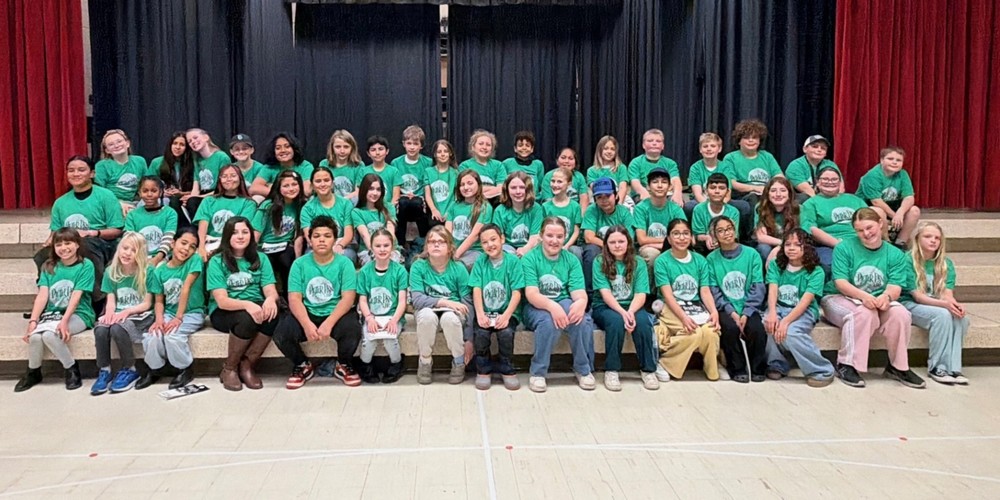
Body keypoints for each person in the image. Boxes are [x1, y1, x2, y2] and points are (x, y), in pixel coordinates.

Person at [820, 208, 925, 389]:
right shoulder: (843, 248)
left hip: (877, 299)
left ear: (880, 224)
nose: (866, 233)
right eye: (860, 230)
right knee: (863, 313)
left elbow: (895, 286)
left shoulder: (895, 254)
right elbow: (841, 282)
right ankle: (847, 365)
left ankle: (898, 367)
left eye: (869, 228)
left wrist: (886, 296)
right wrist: (864, 297)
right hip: (838, 297)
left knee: (900, 314)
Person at [273, 216, 362, 389]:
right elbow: (294, 299)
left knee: (352, 329)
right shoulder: (299, 264)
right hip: (308, 311)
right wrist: (307, 324)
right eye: (317, 236)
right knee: (281, 333)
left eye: (327, 236)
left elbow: (348, 298)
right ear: (310, 239)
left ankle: (343, 364)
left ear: (334, 240)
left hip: (335, 312)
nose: (321, 240)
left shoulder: (345, 264)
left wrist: (329, 323)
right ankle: (302, 364)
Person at [33, 156, 124, 307]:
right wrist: (50, 240)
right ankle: (48, 303)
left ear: (92, 173)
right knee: (42, 255)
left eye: (81, 170)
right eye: (71, 170)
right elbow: (55, 231)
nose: (76, 174)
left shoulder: (106, 196)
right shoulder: (60, 202)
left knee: (85, 246)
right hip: (69, 243)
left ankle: (97, 300)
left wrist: (92, 233)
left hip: (101, 242)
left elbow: (117, 230)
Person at [206, 216, 282, 391]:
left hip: (254, 305)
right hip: (224, 311)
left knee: (273, 313)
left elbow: (270, 290)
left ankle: (247, 365)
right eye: (235, 233)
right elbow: (222, 301)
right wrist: (248, 305)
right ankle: (229, 368)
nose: (240, 236)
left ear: (251, 235)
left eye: (245, 232)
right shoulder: (216, 261)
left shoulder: (261, 258)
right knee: (247, 319)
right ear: (227, 236)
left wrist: (271, 299)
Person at [15, 228, 96, 392]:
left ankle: (71, 369)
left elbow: (76, 296)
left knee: (50, 335)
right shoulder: (48, 266)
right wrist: (33, 321)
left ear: (77, 245)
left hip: (79, 314)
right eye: (59, 244)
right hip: (52, 315)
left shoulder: (85, 265)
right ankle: (33, 372)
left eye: (68, 243)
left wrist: (64, 321)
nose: (63, 248)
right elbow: (42, 296)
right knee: (35, 337)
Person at [522, 217, 595, 392]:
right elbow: (531, 294)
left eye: (559, 236)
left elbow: (578, 292)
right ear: (541, 236)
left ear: (565, 238)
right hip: (535, 306)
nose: (554, 241)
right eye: (550, 235)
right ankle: (538, 372)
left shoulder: (571, 260)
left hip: (563, 300)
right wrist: (552, 307)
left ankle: (583, 369)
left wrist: (581, 302)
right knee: (548, 322)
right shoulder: (529, 259)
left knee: (581, 319)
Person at [763, 228, 835, 387]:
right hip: (779, 306)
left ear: (806, 247)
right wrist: (772, 312)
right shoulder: (776, 265)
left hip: (804, 311)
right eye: (787, 244)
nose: (791, 248)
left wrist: (785, 321)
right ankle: (776, 364)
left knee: (791, 333)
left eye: (797, 244)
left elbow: (805, 301)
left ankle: (821, 370)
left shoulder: (816, 271)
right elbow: (772, 289)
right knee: (767, 323)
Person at [652, 219, 721, 381]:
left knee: (710, 332)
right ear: (669, 239)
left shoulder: (700, 260)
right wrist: (683, 317)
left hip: (696, 306)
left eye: (685, 233)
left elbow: (704, 291)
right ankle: (665, 362)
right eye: (676, 234)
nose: (681, 238)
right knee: (693, 333)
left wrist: (714, 312)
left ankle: (712, 369)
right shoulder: (661, 261)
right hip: (671, 306)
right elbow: (668, 295)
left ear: (691, 237)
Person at [592, 226, 659, 391]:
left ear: (628, 242)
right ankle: (612, 370)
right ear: (606, 244)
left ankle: (648, 370)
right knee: (616, 322)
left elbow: (641, 294)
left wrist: (630, 312)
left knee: (643, 322)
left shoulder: (639, 262)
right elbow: (606, 294)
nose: (617, 245)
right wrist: (623, 313)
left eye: (621, 241)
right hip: (605, 306)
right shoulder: (599, 261)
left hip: (632, 305)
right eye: (612, 242)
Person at [902, 222, 970, 385]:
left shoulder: (946, 263)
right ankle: (937, 367)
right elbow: (918, 297)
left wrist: (954, 305)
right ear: (917, 239)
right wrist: (945, 305)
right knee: (942, 315)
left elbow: (947, 294)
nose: (933, 240)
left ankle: (953, 368)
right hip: (909, 304)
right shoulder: (907, 260)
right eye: (928, 236)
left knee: (960, 318)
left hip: (935, 304)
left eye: (937, 238)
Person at [141, 227, 205, 390]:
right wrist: (159, 320)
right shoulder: (160, 271)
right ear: (172, 243)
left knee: (172, 336)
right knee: (153, 335)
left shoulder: (195, 260)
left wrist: (178, 317)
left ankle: (185, 368)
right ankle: (155, 369)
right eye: (183, 243)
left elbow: (186, 288)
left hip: (191, 313)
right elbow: (159, 301)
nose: (186, 249)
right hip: (169, 313)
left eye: (192, 246)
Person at [706, 216, 768, 383]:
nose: (726, 233)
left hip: (749, 306)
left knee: (756, 329)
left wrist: (746, 312)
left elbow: (758, 286)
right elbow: (714, 290)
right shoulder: (711, 259)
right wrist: (731, 312)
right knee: (730, 328)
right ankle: (737, 369)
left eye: (729, 229)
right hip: (725, 307)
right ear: (714, 236)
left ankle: (758, 368)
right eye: (720, 231)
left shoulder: (752, 254)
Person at [90, 232, 154, 395]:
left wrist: (127, 311)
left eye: (133, 250)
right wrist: (109, 314)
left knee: (118, 328)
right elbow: (111, 300)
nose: (127, 253)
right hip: (120, 312)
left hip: (140, 314)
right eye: (125, 248)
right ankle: (104, 370)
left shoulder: (148, 271)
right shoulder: (111, 271)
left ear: (140, 254)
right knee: (101, 328)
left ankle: (129, 368)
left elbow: (147, 304)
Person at [409, 226, 474, 385]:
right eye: (432, 242)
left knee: (449, 319)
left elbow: (467, 303)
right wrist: (444, 302)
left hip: (454, 313)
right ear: (426, 247)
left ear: (450, 247)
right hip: (427, 310)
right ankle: (425, 361)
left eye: (441, 242)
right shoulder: (418, 266)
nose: (436, 245)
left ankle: (458, 362)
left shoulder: (459, 268)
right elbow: (417, 300)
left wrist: (469, 339)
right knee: (427, 317)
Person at [470, 224, 525, 391]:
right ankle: (483, 369)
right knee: (481, 333)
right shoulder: (480, 261)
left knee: (506, 333)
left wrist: (507, 315)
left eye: (493, 239)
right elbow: (476, 289)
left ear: (502, 239)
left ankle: (507, 368)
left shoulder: (513, 262)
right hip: (486, 312)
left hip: (507, 312)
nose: (490, 245)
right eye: (485, 242)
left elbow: (517, 292)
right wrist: (480, 314)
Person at [356, 229, 408, 384]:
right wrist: (369, 318)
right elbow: (363, 300)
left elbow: (402, 301)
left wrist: (394, 320)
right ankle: (365, 365)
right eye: (378, 246)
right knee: (369, 340)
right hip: (372, 316)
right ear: (371, 248)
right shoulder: (365, 272)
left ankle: (397, 364)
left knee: (390, 339)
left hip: (393, 315)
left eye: (386, 245)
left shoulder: (399, 271)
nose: (382, 249)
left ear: (392, 247)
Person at [800, 165, 867, 275]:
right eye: (825, 179)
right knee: (831, 264)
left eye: (834, 179)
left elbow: (870, 220)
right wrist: (840, 245)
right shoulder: (811, 203)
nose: (830, 182)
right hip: (829, 245)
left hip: (860, 241)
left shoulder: (854, 199)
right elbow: (812, 230)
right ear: (817, 182)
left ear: (840, 182)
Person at [192, 164, 261, 261]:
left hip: (234, 243)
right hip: (210, 241)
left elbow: (240, 228)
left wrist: (218, 250)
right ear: (219, 180)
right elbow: (203, 225)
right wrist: (201, 247)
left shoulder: (248, 203)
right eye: (224, 176)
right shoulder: (208, 200)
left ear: (240, 178)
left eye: (233, 175)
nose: (229, 179)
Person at [856, 146, 921, 248]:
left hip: (892, 205)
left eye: (898, 160)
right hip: (869, 206)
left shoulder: (903, 174)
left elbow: (909, 197)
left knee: (914, 211)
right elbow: (876, 201)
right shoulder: (872, 175)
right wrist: (895, 216)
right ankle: (886, 242)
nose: (894, 162)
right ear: (882, 160)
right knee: (878, 211)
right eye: (890, 159)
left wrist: (900, 212)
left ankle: (900, 243)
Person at [582, 177, 634, 297]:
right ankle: (591, 295)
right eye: (599, 197)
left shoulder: (624, 212)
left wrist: (614, 247)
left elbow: (629, 238)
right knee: (591, 250)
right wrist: (609, 246)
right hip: (599, 247)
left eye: (607, 196)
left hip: (620, 247)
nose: (604, 200)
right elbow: (589, 237)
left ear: (616, 195)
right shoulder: (591, 210)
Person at [258, 170, 306, 292]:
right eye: (286, 186)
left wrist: (297, 260)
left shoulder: (301, 205)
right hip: (264, 246)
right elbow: (256, 232)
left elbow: (299, 236)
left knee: (288, 262)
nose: (291, 189)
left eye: (294, 184)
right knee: (266, 264)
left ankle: (288, 296)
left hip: (285, 246)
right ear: (278, 188)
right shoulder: (268, 205)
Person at [632, 167, 686, 276]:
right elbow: (642, 239)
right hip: (653, 248)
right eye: (655, 182)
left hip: (671, 246)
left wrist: (659, 244)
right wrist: (669, 241)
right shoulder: (641, 208)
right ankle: (650, 287)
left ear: (670, 187)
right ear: (648, 187)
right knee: (651, 254)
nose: (660, 185)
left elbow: (684, 237)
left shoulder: (676, 209)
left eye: (664, 182)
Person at [390, 125, 433, 256]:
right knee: (403, 202)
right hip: (402, 198)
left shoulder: (428, 162)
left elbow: (428, 184)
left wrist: (417, 195)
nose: (412, 147)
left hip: (420, 198)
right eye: (409, 143)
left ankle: (423, 241)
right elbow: (395, 185)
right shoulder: (396, 163)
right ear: (404, 144)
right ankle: (401, 243)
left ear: (421, 146)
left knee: (415, 202)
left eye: (415, 144)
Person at [722, 119, 784, 209]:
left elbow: (779, 177)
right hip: (745, 196)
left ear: (759, 141)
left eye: (754, 137)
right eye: (746, 138)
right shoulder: (730, 158)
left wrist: (773, 189)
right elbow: (732, 183)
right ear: (739, 141)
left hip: (768, 193)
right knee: (753, 197)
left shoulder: (767, 156)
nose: (751, 140)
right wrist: (756, 188)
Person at [299, 166, 356, 263]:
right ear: (312, 185)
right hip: (317, 246)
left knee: (347, 256)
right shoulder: (307, 209)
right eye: (318, 181)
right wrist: (325, 248)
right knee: (309, 259)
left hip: (342, 245)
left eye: (326, 180)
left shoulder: (345, 204)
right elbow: (309, 237)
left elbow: (348, 234)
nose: (322, 184)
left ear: (332, 183)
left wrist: (339, 246)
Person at [124, 176, 177, 266]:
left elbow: (168, 238)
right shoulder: (132, 215)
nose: (149, 194)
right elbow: (129, 239)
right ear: (140, 193)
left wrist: (156, 259)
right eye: (145, 191)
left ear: (160, 192)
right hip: (137, 257)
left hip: (162, 258)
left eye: (154, 191)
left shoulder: (170, 213)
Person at [446, 170, 493, 269]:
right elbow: (447, 233)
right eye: (462, 185)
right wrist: (448, 252)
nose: (466, 187)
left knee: (456, 267)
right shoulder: (454, 205)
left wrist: (455, 256)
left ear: (478, 185)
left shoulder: (485, 207)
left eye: (470, 183)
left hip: (474, 251)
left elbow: (474, 236)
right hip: (453, 249)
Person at [353, 174, 402, 265]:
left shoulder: (389, 207)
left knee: (391, 263)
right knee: (375, 264)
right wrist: (375, 253)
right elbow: (365, 236)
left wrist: (386, 252)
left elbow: (391, 232)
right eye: (371, 189)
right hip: (368, 250)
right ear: (364, 190)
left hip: (390, 249)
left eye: (378, 189)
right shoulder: (357, 212)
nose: (375, 193)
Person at [148, 132, 195, 226]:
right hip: (162, 197)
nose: (177, 147)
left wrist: (181, 193)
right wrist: (162, 193)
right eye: (175, 143)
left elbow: (198, 190)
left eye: (182, 145)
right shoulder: (157, 162)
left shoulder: (193, 164)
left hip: (186, 197)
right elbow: (148, 185)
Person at [95, 129, 148, 212]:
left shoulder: (139, 161)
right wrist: (118, 204)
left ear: (127, 143)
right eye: (111, 144)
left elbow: (147, 184)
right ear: (107, 150)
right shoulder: (102, 165)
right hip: (112, 203)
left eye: (119, 141)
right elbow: (99, 191)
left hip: (136, 202)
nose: (116, 146)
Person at [492, 171, 544, 256]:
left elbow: (535, 236)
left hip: (531, 246)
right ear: (507, 190)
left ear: (528, 189)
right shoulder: (500, 210)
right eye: (513, 188)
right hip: (507, 247)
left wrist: (525, 249)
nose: (518, 191)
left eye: (522, 187)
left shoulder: (536, 209)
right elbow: (499, 237)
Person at [628, 128, 683, 206]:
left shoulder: (670, 163)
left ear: (663, 146)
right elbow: (635, 182)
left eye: (658, 141)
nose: (654, 143)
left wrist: (678, 194)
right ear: (643, 145)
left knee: (677, 203)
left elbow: (675, 180)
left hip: (665, 194)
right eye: (650, 141)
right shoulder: (635, 162)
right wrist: (644, 193)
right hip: (643, 194)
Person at [251, 133, 314, 198]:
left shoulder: (305, 166)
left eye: (287, 146)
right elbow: (254, 188)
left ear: (294, 149)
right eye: (278, 148)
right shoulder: (269, 167)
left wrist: (274, 187)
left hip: (298, 200)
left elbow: (306, 191)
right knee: (257, 197)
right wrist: (282, 192)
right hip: (276, 201)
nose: (283, 150)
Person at [185, 128, 231, 217]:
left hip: (217, 195)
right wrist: (190, 198)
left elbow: (223, 189)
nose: (193, 142)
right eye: (189, 141)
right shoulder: (197, 161)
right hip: (203, 195)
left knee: (193, 202)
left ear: (206, 137)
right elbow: (196, 187)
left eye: (195, 138)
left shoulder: (221, 157)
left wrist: (196, 198)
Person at [690, 173, 741, 253]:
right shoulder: (699, 209)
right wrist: (706, 238)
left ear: (727, 192)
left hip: (727, 245)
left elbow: (734, 235)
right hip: (705, 247)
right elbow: (698, 235)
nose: (717, 191)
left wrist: (720, 241)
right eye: (713, 188)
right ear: (706, 191)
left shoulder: (733, 212)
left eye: (721, 188)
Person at [754, 176, 799, 265]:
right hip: (771, 244)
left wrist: (783, 246)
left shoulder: (799, 209)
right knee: (763, 248)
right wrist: (781, 244)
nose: (778, 194)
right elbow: (761, 237)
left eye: (783, 190)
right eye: (773, 190)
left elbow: (801, 236)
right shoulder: (760, 208)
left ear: (789, 194)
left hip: (794, 245)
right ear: (768, 194)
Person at [541, 168, 583, 258]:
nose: (555, 185)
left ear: (569, 184)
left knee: (576, 251)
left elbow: (576, 231)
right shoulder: (545, 206)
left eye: (559, 182)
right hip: (550, 244)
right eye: (553, 181)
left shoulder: (575, 206)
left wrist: (566, 246)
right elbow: (542, 231)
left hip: (568, 245)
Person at [785, 135, 842, 200]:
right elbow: (809, 192)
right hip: (805, 200)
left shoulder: (831, 164)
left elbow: (840, 188)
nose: (819, 150)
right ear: (805, 149)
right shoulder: (795, 166)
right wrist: (825, 204)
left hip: (828, 198)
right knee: (804, 197)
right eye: (815, 146)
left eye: (823, 148)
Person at [459, 129, 508, 200]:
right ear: (473, 147)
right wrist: (493, 188)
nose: (484, 147)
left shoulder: (498, 165)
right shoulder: (465, 166)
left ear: (492, 149)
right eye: (481, 144)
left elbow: (501, 189)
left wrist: (480, 192)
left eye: (488, 145)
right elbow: (466, 189)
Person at [424, 139, 460, 231]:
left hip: (451, 210)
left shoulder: (455, 173)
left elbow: (457, 196)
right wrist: (434, 210)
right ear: (435, 154)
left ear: (450, 153)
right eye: (439, 152)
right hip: (434, 211)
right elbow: (428, 195)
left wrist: (449, 212)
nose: (443, 154)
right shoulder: (428, 171)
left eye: (446, 151)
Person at [540, 148, 589, 214]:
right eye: (563, 158)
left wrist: (581, 216)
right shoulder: (549, 176)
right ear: (557, 160)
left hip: (574, 213)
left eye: (570, 158)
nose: (566, 161)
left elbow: (584, 198)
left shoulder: (579, 176)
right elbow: (547, 201)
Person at [319, 129, 363, 201]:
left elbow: (358, 192)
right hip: (330, 202)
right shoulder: (324, 164)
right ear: (332, 148)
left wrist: (342, 202)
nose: (342, 151)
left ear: (352, 148)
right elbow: (322, 188)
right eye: (338, 147)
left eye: (346, 147)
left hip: (350, 202)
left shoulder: (359, 165)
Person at [358, 135, 402, 205]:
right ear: (368, 153)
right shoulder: (363, 172)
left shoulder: (394, 171)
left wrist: (389, 209)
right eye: (373, 150)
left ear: (387, 151)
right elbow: (360, 194)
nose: (377, 153)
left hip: (388, 209)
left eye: (381, 149)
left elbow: (396, 197)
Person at [586, 135, 629, 205]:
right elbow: (595, 189)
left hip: (619, 200)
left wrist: (618, 205)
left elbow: (623, 188)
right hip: (599, 200)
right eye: (606, 148)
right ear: (600, 150)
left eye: (612, 149)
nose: (609, 151)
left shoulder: (621, 168)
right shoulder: (591, 171)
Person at [502, 130, 545, 197]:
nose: (524, 148)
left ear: (532, 149)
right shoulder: (506, 163)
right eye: (520, 145)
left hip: (533, 201)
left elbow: (541, 188)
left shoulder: (538, 164)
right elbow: (503, 186)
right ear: (515, 148)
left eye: (527, 145)